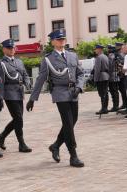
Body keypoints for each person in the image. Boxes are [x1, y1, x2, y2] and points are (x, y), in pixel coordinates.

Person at [26, 29, 84, 168]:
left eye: (63, 39)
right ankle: (73, 155)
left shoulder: (72, 55)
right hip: (60, 92)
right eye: (58, 39)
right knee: (68, 124)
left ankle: (56, 145)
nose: (61, 41)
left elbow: (80, 74)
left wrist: (79, 87)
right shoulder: (48, 59)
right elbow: (40, 79)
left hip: (73, 92)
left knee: (72, 121)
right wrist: (32, 98)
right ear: (52, 42)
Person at [0, 39, 32, 153]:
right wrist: (0, 97)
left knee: (17, 119)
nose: (12, 50)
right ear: (4, 49)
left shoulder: (19, 62)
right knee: (18, 118)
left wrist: (28, 83)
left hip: (19, 92)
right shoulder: (1, 64)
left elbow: (25, 74)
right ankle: (21, 144)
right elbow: (0, 82)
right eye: (9, 48)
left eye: (13, 48)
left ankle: (2, 136)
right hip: (9, 93)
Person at [92, 44, 110, 115]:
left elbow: (97, 70)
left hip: (100, 77)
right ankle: (105, 107)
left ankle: (104, 108)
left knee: (102, 93)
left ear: (99, 49)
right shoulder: (105, 56)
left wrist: (95, 79)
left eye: (96, 49)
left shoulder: (99, 57)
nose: (95, 50)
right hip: (106, 76)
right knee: (105, 93)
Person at [114, 42, 127, 114]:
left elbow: (121, 64)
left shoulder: (120, 55)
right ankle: (125, 104)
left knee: (124, 91)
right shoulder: (120, 54)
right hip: (121, 75)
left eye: (117, 46)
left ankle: (126, 105)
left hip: (123, 75)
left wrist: (119, 66)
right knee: (123, 91)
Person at [107, 45, 120, 112]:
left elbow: (110, 66)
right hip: (115, 75)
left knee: (113, 91)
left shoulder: (111, 55)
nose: (107, 50)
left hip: (112, 76)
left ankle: (115, 106)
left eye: (108, 49)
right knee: (115, 92)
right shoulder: (114, 55)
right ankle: (116, 105)